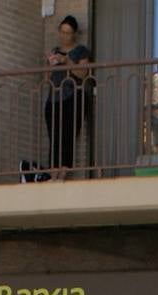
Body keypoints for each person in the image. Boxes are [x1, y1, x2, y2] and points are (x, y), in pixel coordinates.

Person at [41, 15, 92, 181]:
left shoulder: (81, 51)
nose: (64, 36)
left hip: (72, 98)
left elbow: (82, 73)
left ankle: (62, 174)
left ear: (74, 34)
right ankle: (53, 173)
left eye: (68, 32)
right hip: (53, 99)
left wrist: (66, 60)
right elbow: (47, 79)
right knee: (54, 137)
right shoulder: (55, 51)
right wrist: (49, 62)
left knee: (68, 136)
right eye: (62, 32)